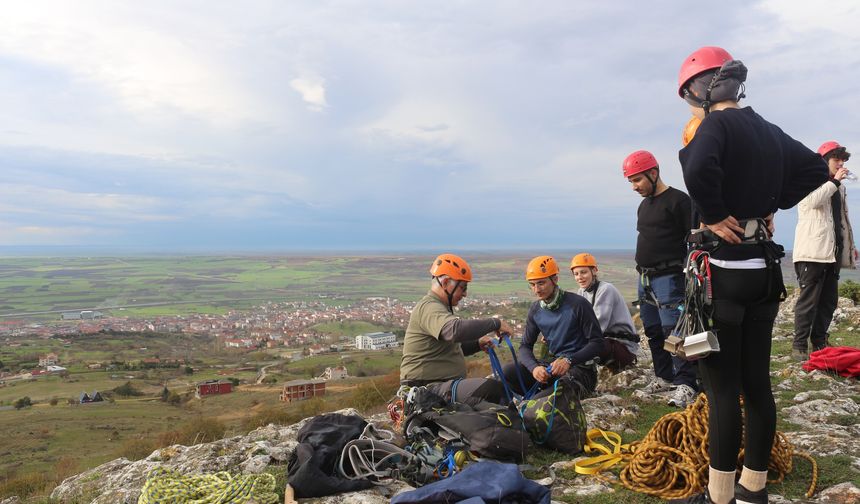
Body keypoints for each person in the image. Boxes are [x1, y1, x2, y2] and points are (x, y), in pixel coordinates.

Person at [670, 46, 828, 504]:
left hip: (723, 271)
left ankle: (720, 497)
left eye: (687, 96)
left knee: (722, 392)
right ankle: (752, 490)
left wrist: (718, 214)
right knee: (757, 383)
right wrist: (769, 205)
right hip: (764, 272)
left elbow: (697, 167)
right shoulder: (769, 130)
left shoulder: (714, 125)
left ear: (699, 90)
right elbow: (816, 168)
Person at [623, 149, 698, 408]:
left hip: (670, 276)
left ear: (654, 173)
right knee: (654, 331)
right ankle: (664, 376)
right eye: (631, 181)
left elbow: (695, 237)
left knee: (674, 331)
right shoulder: (644, 206)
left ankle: (687, 383)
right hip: (645, 278)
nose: (634, 187)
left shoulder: (679, 201)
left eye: (638, 180)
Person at [400, 253, 515, 404]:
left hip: (437, 386)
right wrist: (495, 323)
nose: (465, 293)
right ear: (446, 282)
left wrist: (477, 344)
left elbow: (449, 348)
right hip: (426, 389)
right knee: (493, 390)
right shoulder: (429, 307)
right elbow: (454, 330)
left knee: (502, 384)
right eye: (463, 287)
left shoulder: (439, 308)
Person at [502, 256, 605, 399]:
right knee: (508, 371)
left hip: (581, 370)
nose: (536, 290)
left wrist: (569, 360)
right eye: (532, 285)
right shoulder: (536, 310)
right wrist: (534, 368)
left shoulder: (578, 305)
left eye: (541, 283)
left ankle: (539, 398)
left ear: (555, 279)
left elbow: (598, 343)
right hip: (554, 366)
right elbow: (525, 346)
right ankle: (539, 395)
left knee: (539, 403)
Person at [791, 141, 856, 361]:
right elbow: (811, 203)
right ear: (824, 160)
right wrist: (834, 183)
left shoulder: (841, 188)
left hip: (833, 252)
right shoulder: (811, 181)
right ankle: (799, 346)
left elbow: (842, 221)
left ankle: (819, 342)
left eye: (843, 160)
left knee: (829, 300)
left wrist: (850, 247)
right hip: (812, 250)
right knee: (808, 301)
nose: (841, 164)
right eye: (836, 159)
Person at [570, 253, 640, 371]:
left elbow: (597, 327)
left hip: (623, 348)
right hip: (607, 342)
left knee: (580, 346)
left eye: (583, 272)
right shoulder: (582, 292)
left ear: (594, 271)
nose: (579, 277)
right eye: (576, 274)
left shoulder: (606, 289)